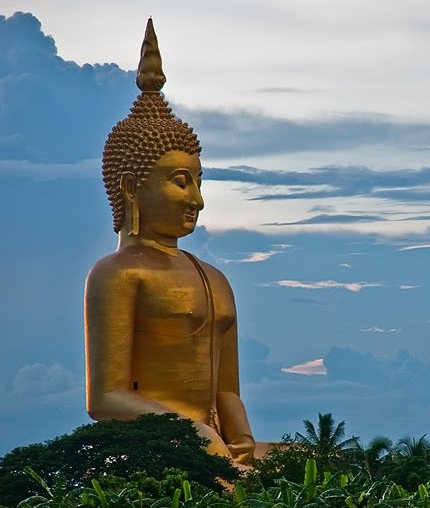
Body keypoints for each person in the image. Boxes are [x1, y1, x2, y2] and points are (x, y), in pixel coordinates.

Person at [84, 18, 255, 465]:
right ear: (129, 187)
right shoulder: (116, 274)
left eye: (198, 182)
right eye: (181, 182)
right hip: (154, 452)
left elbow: (228, 391)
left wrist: (241, 443)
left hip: (217, 447)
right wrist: (193, 435)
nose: (197, 200)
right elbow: (105, 398)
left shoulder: (214, 279)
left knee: (316, 464)